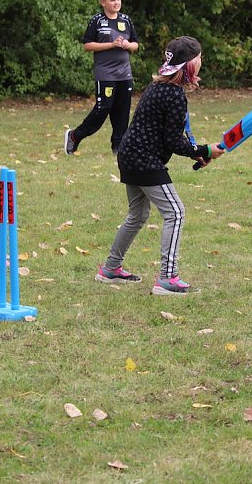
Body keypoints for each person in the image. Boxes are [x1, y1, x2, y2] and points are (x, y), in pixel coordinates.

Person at [95, 36, 224, 295]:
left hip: (129, 156)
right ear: (187, 65)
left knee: (138, 215)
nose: (201, 63)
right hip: (144, 161)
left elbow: (170, 136)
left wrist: (197, 152)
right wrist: (204, 150)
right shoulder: (174, 94)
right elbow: (173, 141)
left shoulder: (158, 87)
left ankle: (110, 269)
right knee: (175, 213)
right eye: (198, 59)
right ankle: (167, 278)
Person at [65, 0, 139, 155]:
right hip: (105, 73)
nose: (117, 3)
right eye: (113, 0)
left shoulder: (126, 20)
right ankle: (75, 136)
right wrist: (111, 44)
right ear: (103, 2)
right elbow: (87, 45)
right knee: (103, 108)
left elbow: (135, 44)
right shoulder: (97, 21)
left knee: (122, 110)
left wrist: (128, 45)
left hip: (124, 73)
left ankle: (118, 146)